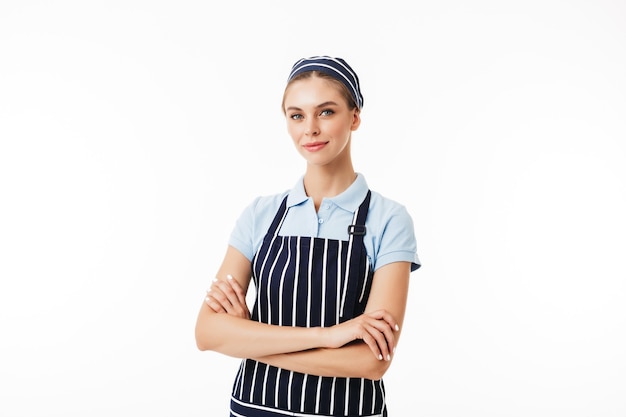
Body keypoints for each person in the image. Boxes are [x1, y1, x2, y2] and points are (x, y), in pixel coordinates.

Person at [195, 55, 421, 417]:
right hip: (254, 408)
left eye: (326, 112)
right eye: (297, 115)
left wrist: (249, 337)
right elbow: (207, 334)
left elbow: (371, 361)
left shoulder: (388, 220)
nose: (310, 129)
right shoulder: (260, 215)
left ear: (355, 117)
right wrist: (329, 336)